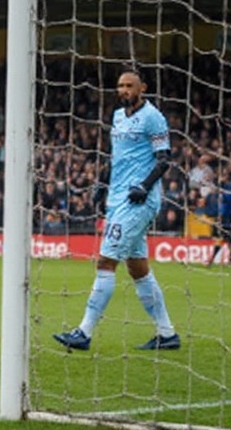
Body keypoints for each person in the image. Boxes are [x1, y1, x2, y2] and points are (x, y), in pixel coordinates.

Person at [54, 70, 180, 352]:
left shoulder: (153, 117)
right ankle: (167, 334)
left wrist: (145, 187)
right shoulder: (118, 117)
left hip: (137, 200)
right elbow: (118, 157)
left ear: (142, 88)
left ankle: (83, 333)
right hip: (117, 197)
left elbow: (164, 160)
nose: (123, 90)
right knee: (138, 269)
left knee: (105, 262)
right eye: (120, 85)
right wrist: (101, 184)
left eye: (129, 85)